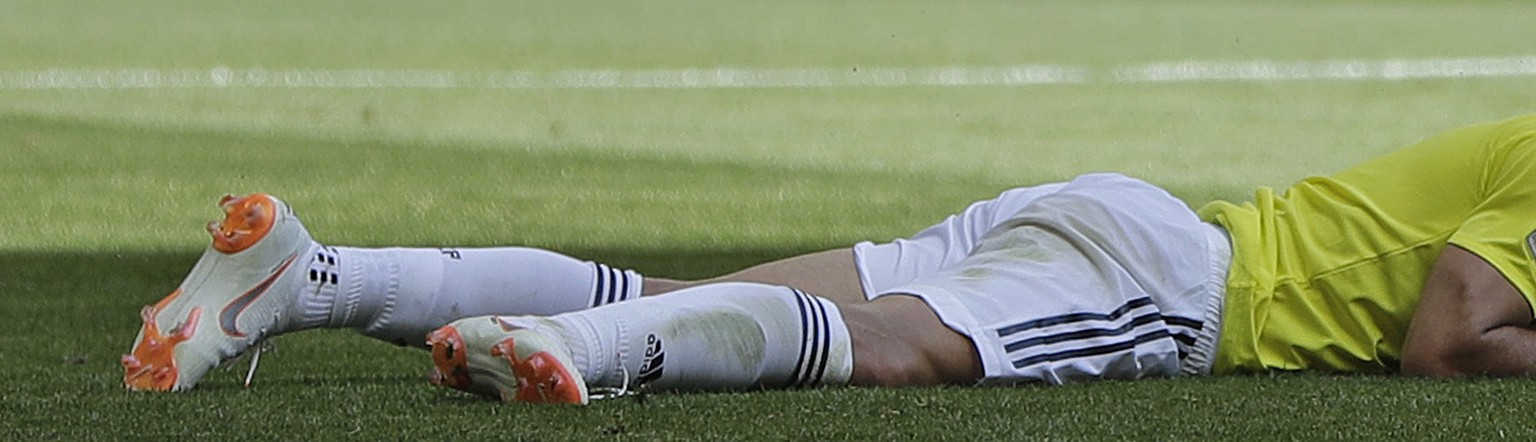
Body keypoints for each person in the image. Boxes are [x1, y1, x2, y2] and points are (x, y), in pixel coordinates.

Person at [123, 115, 1536, 405]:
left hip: (1132, 214)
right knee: (895, 348)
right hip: (1182, 287)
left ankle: (314, 278)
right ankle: (587, 366)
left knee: (673, 295)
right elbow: (1449, 333)